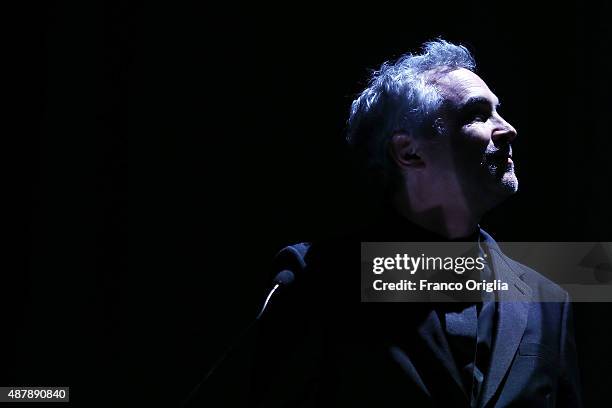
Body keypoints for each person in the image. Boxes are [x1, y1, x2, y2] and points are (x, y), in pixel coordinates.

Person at [249, 39, 581, 407]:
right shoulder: (318, 278)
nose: (509, 129)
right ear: (408, 152)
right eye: (477, 114)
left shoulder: (547, 301)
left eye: (498, 112)